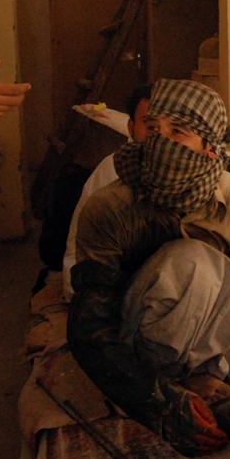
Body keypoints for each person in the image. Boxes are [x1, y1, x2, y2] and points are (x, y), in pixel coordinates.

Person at [68, 79, 230, 456]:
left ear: (210, 150)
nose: (159, 142)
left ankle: (201, 372)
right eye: (152, 129)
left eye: (177, 132)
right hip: (137, 337)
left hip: (196, 323)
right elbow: (91, 327)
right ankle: (178, 377)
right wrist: (159, 402)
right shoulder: (109, 207)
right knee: (192, 259)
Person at [60, 84, 152, 299]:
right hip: (104, 287)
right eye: (148, 124)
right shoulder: (114, 171)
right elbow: (89, 254)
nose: (158, 136)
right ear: (131, 127)